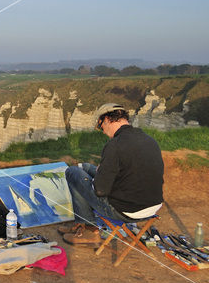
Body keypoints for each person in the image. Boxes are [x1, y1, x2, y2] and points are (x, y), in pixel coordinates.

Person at [59, 103, 164, 245]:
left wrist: (98, 176)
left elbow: (100, 190)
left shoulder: (115, 144)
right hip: (152, 205)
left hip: (127, 210)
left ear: (107, 119)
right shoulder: (149, 140)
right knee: (87, 167)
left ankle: (90, 231)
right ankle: (81, 223)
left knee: (73, 173)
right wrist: (99, 172)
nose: (102, 131)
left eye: (100, 126)